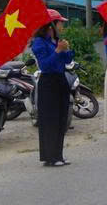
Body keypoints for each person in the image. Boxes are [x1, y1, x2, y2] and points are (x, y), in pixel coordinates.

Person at [31, 9, 73, 166]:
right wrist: (57, 51)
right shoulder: (39, 42)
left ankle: (58, 155)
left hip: (60, 80)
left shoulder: (56, 41)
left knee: (62, 118)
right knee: (50, 120)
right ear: (51, 25)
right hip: (48, 82)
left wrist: (66, 49)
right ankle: (50, 157)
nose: (62, 26)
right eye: (60, 23)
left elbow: (68, 60)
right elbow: (45, 65)